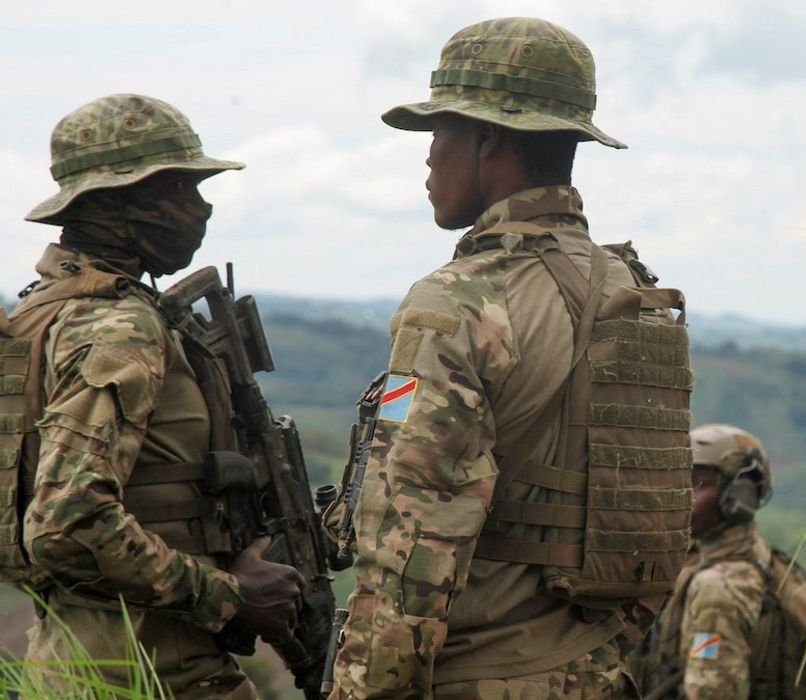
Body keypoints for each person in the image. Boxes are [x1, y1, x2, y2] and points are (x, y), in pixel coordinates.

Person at [330, 17, 692, 699]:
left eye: (441, 132)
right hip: (598, 669)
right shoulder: (632, 291)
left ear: (487, 138)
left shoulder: (455, 303)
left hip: (478, 673)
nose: (429, 157)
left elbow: (410, 541)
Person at [11, 93, 302, 699]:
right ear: (118, 202)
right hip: (153, 672)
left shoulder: (40, 315)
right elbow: (66, 523)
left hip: (74, 661)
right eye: (179, 190)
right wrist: (231, 597)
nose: (201, 209)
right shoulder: (119, 327)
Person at [631, 423, 806, 700]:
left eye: (696, 484)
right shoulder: (755, 561)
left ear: (740, 495)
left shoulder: (719, 587)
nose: (679, 496)